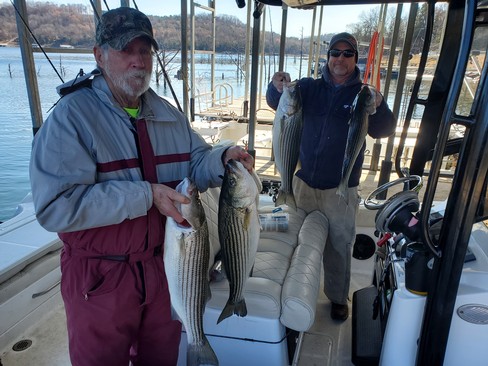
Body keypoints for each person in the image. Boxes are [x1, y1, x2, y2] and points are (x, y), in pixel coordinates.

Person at [29, 7, 253, 366]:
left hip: (164, 270)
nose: (138, 61)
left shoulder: (168, 114)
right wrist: (146, 195)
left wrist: (224, 156)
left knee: (161, 359)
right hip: (99, 279)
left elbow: (197, 162)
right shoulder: (71, 119)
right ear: (99, 55)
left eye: (145, 51)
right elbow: (56, 206)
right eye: (125, 50)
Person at [266, 32, 396, 321]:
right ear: (327, 57)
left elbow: (384, 129)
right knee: (287, 233)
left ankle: (338, 297)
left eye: (347, 53)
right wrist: (275, 87)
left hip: (341, 189)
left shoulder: (363, 94)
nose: (340, 58)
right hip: (300, 182)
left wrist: (381, 103)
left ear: (355, 58)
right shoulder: (309, 88)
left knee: (339, 244)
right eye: (335, 53)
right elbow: (279, 103)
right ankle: (280, 286)